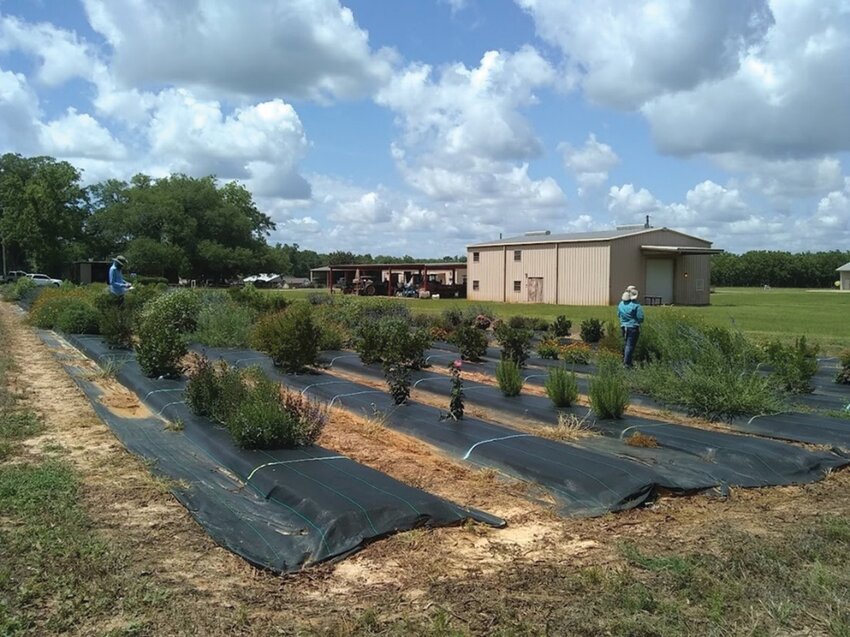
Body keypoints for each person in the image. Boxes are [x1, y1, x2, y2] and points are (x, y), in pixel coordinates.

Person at [618, 286, 644, 368]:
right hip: (633, 327)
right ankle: (627, 364)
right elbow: (640, 318)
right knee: (630, 346)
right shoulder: (636, 305)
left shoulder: (621, 304)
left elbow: (618, 314)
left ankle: (625, 361)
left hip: (623, 326)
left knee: (626, 344)